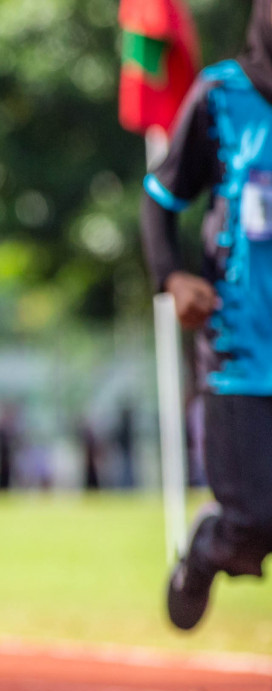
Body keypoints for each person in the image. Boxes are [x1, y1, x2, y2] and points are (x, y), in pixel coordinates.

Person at [143, 0, 272, 646]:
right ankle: (210, 544)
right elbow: (161, 197)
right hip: (240, 356)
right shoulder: (222, 96)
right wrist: (171, 276)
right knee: (257, 519)